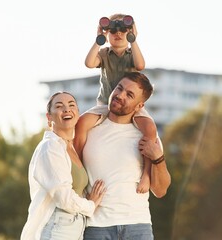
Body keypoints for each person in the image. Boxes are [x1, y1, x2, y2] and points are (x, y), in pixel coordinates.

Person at [74, 72, 171, 239]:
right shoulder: (90, 129)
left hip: (137, 226)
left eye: (129, 94)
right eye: (119, 88)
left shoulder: (147, 136)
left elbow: (160, 190)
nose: (120, 95)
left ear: (139, 106)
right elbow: (74, 170)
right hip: (96, 226)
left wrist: (158, 158)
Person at [82, 13, 157, 193]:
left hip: (130, 106)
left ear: (130, 32)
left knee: (150, 129)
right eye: (113, 30)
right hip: (105, 103)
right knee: (81, 124)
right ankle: (80, 168)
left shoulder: (132, 53)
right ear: (107, 33)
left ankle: (147, 174)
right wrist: (99, 39)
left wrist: (134, 40)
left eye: (123, 30)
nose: (118, 34)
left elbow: (140, 65)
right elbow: (89, 63)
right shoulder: (104, 53)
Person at [20, 92, 106, 240]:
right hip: (57, 226)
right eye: (59, 106)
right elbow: (63, 197)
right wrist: (90, 205)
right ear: (49, 118)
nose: (66, 109)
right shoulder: (50, 147)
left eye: (71, 105)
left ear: (77, 113)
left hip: (74, 226)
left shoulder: (71, 148)